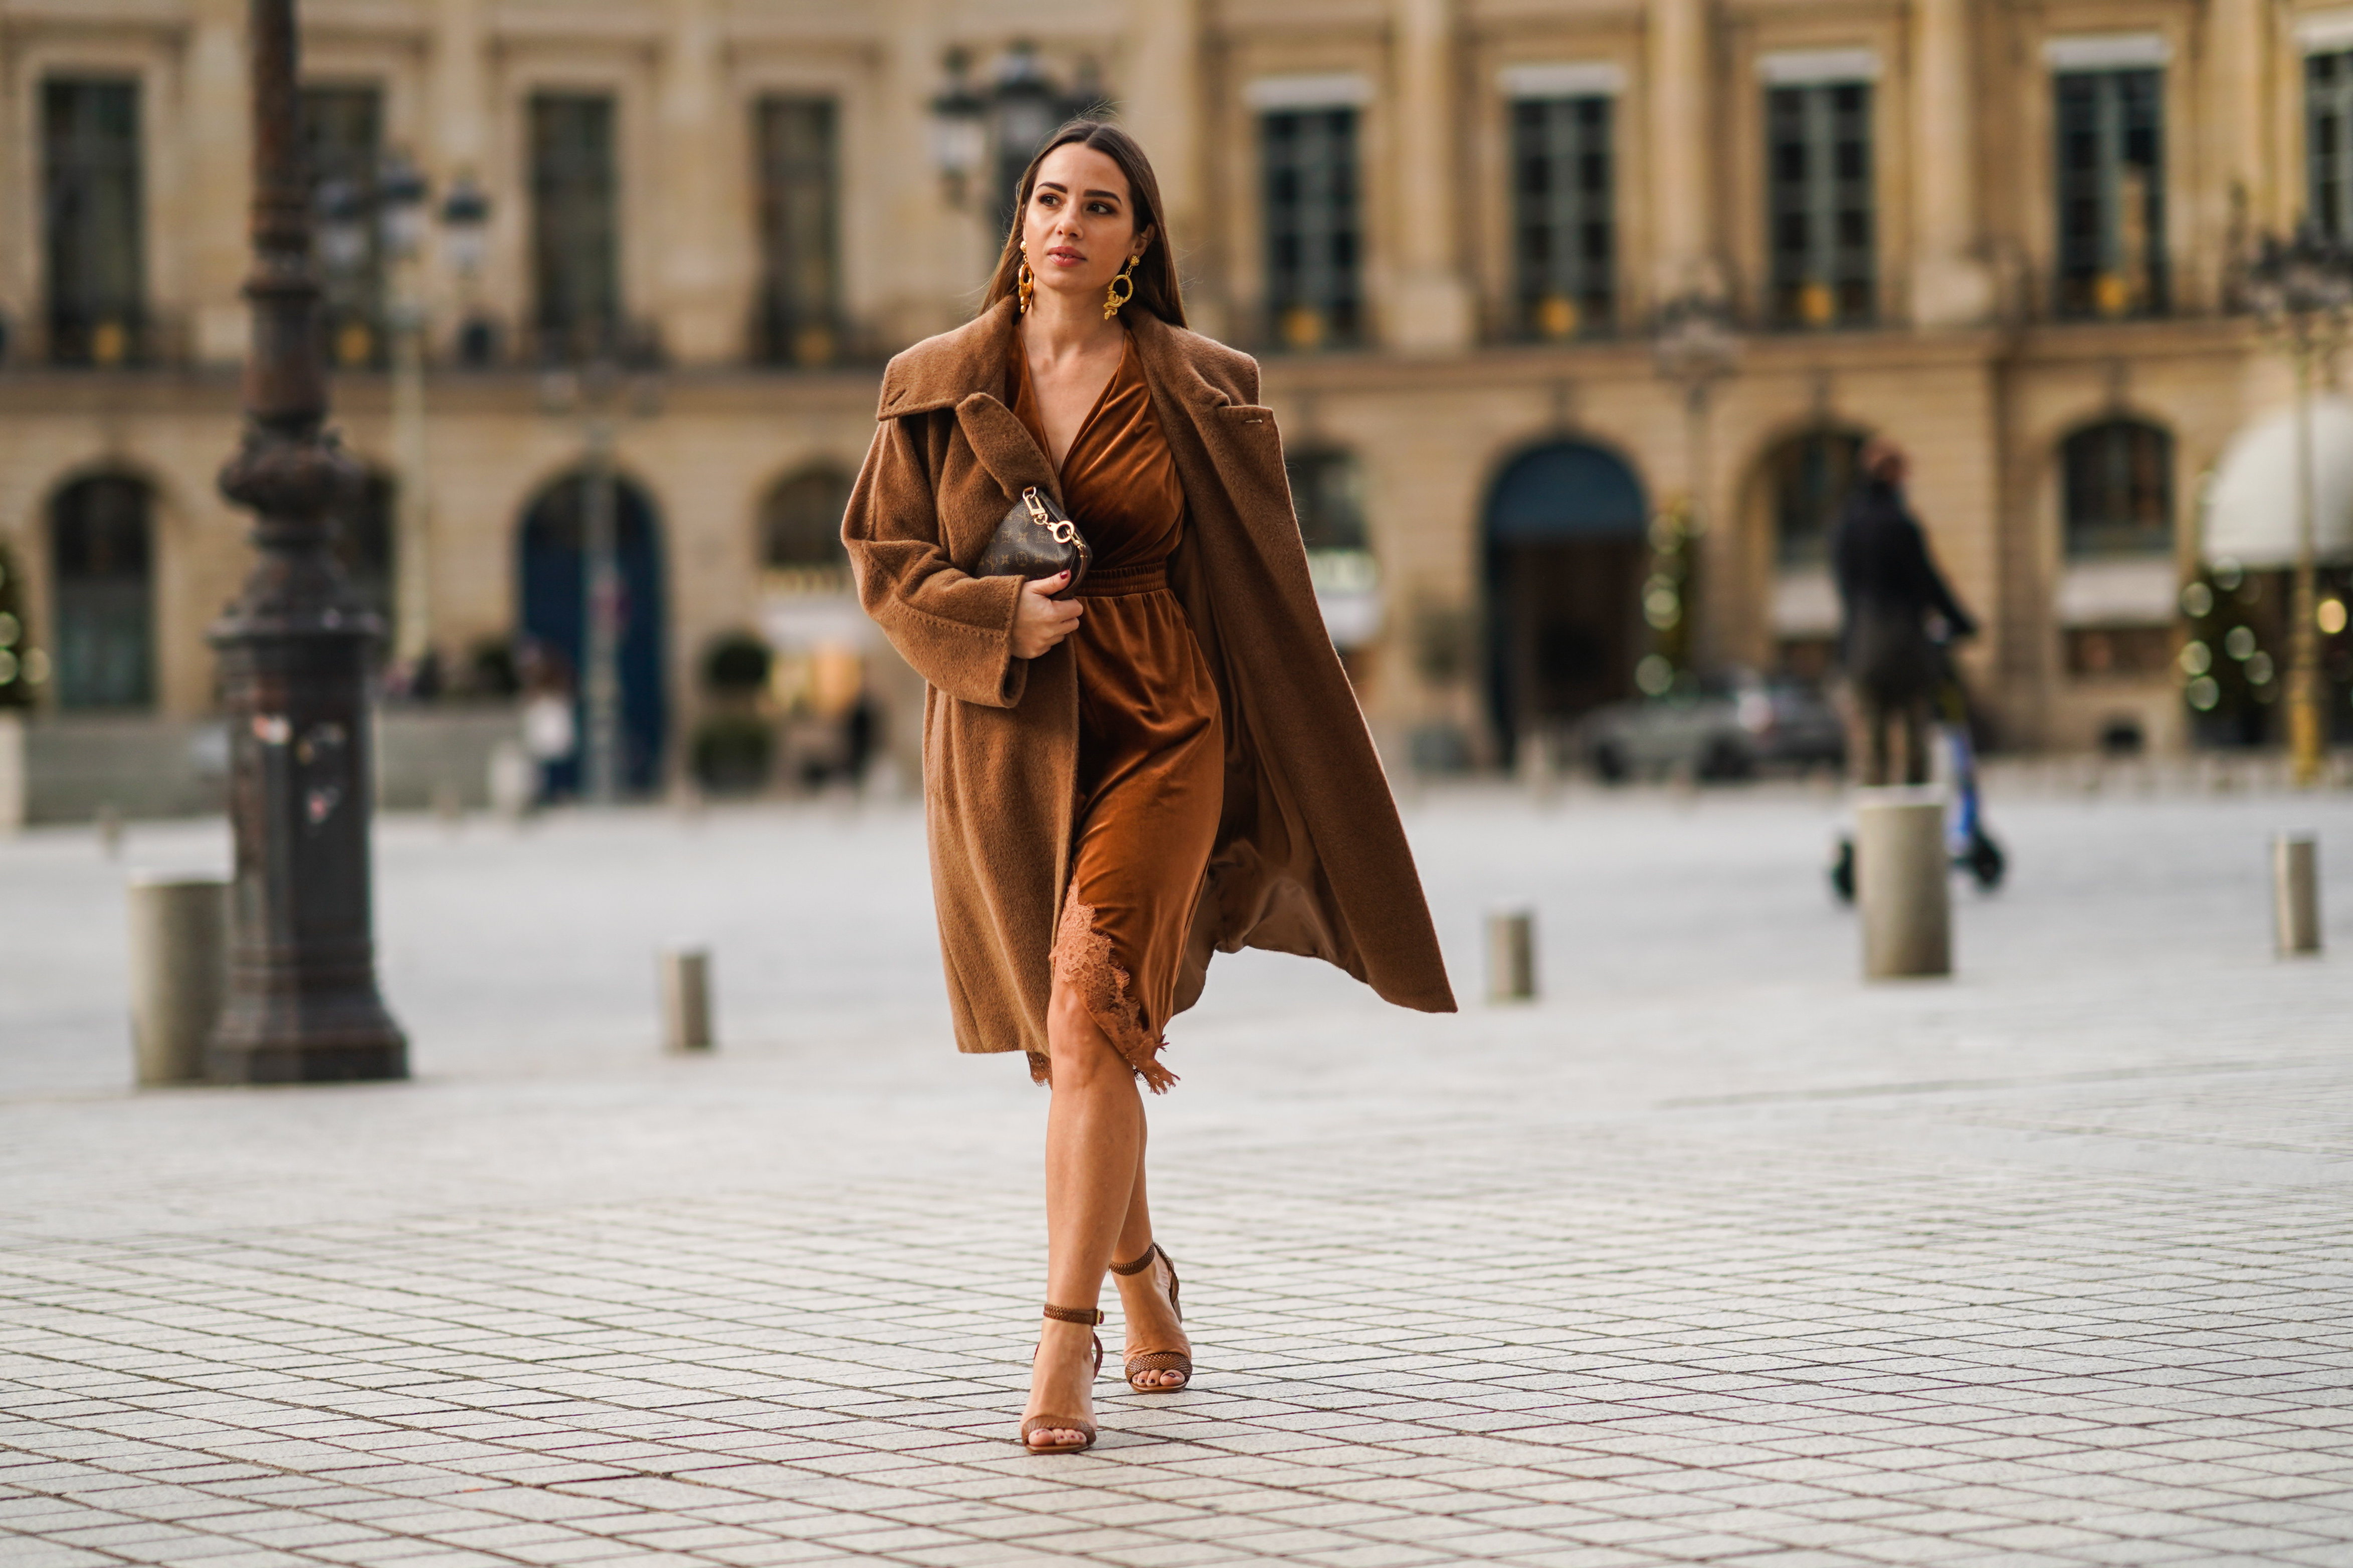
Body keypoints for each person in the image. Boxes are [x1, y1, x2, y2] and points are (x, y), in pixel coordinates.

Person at [843, 120, 1455, 1454]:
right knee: (1073, 1048)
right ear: (1017, 222)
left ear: (1137, 243)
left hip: (1164, 725)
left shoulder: (1200, 385)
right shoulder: (931, 384)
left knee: (1089, 999)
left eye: (1100, 206)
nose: (1067, 221)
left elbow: (1262, 585)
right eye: (1047, 197)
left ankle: (1061, 1347)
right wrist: (997, 614)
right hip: (1007, 734)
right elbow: (885, 563)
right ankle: (1140, 1275)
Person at [1831, 439, 1977, 786]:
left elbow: (1845, 589)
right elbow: (1927, 580)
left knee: (1871, 735)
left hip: (1863, 639)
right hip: (1904, 637)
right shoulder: (1900, 524)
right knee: (1913, 727)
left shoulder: (1846, 524)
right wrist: (1960, 622)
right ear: (1891, 474)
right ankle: (1914, 812)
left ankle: (1877, 816)